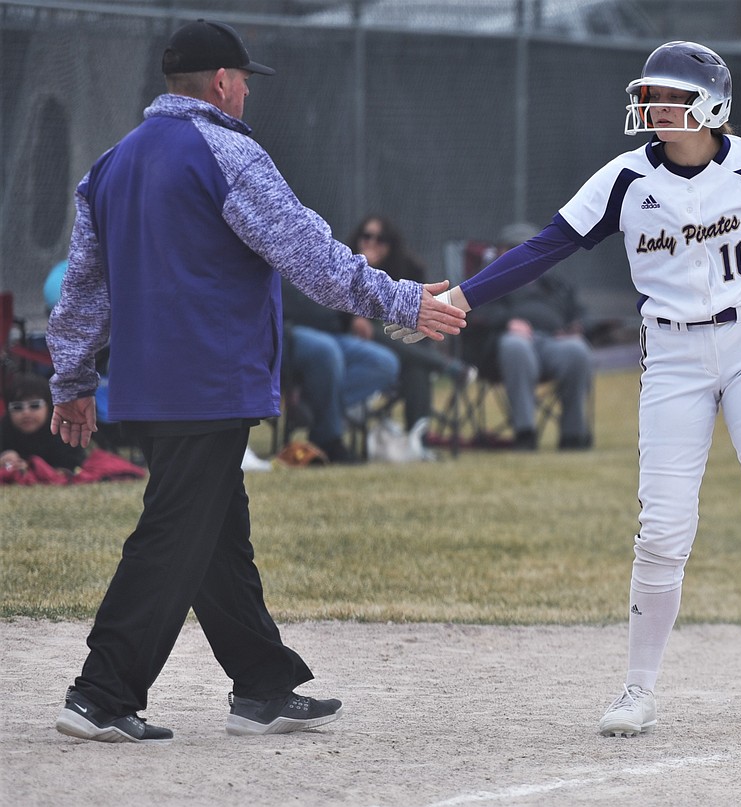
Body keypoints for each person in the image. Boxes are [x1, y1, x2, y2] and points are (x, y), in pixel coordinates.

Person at [389, 41, 741, 734]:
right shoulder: (626, 178)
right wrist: (462, 296)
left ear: (713, 106)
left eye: (672, 97)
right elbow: (546, 246)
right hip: (671, 349)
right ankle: (637, 688)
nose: (656, 108)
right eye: (653, 96)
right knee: (663, 529)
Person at [46, 19, 464, 744]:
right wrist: (404, 303)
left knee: (214, 533)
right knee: (176, 531)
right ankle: (102, 690)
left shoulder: (110, 164)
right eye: (243, 79)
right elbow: (311, 257)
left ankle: (263, 687)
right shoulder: (229, 152)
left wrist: (73, 378)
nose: (245, 91)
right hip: (212, 378)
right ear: (219, 84)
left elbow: (84, 288)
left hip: (149, 382)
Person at [461, 222, 595, 451]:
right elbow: (474, 314)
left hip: (553, 343)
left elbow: (582, 313)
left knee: (578, 350)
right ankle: (525, 433)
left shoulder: (554, 284)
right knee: (516, 347)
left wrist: (575, 328)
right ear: (501, 253)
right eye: (514, 248)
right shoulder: (487, 280)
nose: (523, 254)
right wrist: (507, 322)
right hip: (506, 347)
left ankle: (573, 435)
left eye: (529, 247)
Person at [346, 215, 475, 436]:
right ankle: (446, 365)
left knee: (416, 366)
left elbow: (420, 316)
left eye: (381, 239)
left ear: (391, 244)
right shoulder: (345, 264)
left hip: (402, 348)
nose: (372, 243)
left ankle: (417, 441)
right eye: (366, 236)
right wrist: (363, 266)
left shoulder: (409, 269)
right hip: (355, 340)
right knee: (376, 331)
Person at [280, 276, 401, 462]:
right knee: (326, 350)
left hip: (333, 332)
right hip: (289, 331)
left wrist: (352, 318)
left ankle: (309, 404)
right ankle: (328, 440)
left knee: (384, 363)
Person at [2, 373, 86, 474]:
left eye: (34, 405)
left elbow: (73, 468)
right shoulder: (3, 430)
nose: (26, 413)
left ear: (49, 407)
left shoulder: (65, 433)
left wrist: (31, 468)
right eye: (17, 407)